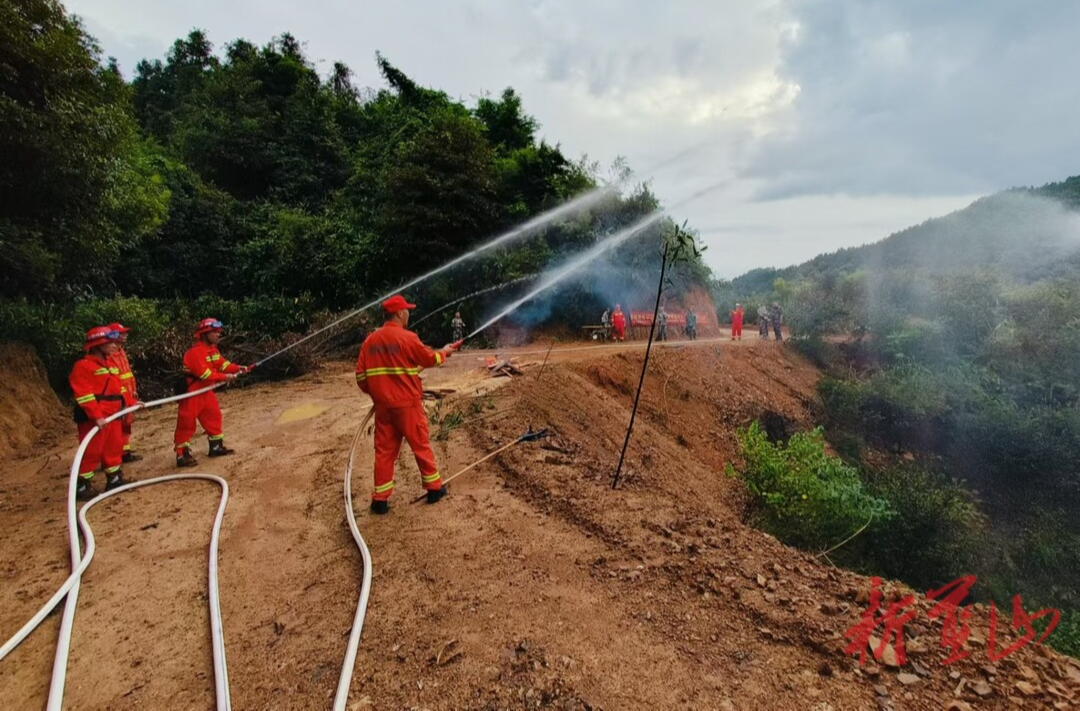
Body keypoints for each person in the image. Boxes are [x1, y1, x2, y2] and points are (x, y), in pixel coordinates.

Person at [355, 295, 460, 514]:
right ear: (400, 313)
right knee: (420, 444)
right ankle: (433, 489)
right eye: (407, 311)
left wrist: (377, 393)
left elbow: (360, 377)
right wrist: (445, 352)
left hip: (383, 408)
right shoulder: (407, 337)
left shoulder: (370, 341)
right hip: (407, 405)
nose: (409, 314)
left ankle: (380, 500)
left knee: (384, 452)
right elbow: (429, 359)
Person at [174, 318, 252, 467]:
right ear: (204, 334)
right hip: (192, 394)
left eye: (218, 332)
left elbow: (222, 364)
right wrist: (225, 377)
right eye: (214, 332)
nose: (218, 335)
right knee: (186, 423)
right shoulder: (195, 353)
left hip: (206, 392)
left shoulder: (213, 350)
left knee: (214, 417)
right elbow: (205, 374)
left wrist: (238, 368)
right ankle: (182, 455)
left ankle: (216, 447)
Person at [69, 326, 127, 498]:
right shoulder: (83, 367)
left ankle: (114, 479)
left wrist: (129, 403)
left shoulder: (109, 364)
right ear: (97, 345)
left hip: (113, 416)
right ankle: (82, 486)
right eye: (109, 342)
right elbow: (84, 395)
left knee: (114, 447)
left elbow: (118, 389)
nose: (114, 345)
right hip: (96, 419)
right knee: (92, 451)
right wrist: (97, 416)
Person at [107, 322, 142, 462]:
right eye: (122, 333)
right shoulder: (108, 356)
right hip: (117, 397)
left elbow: (127, 373)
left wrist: (133, 390)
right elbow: (113, 380)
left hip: (128, 394)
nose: (125, 335)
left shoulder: (121, 352)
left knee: (126, 424)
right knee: (115, 429)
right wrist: (123, 396)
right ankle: (111, 457)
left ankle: (124, 452)